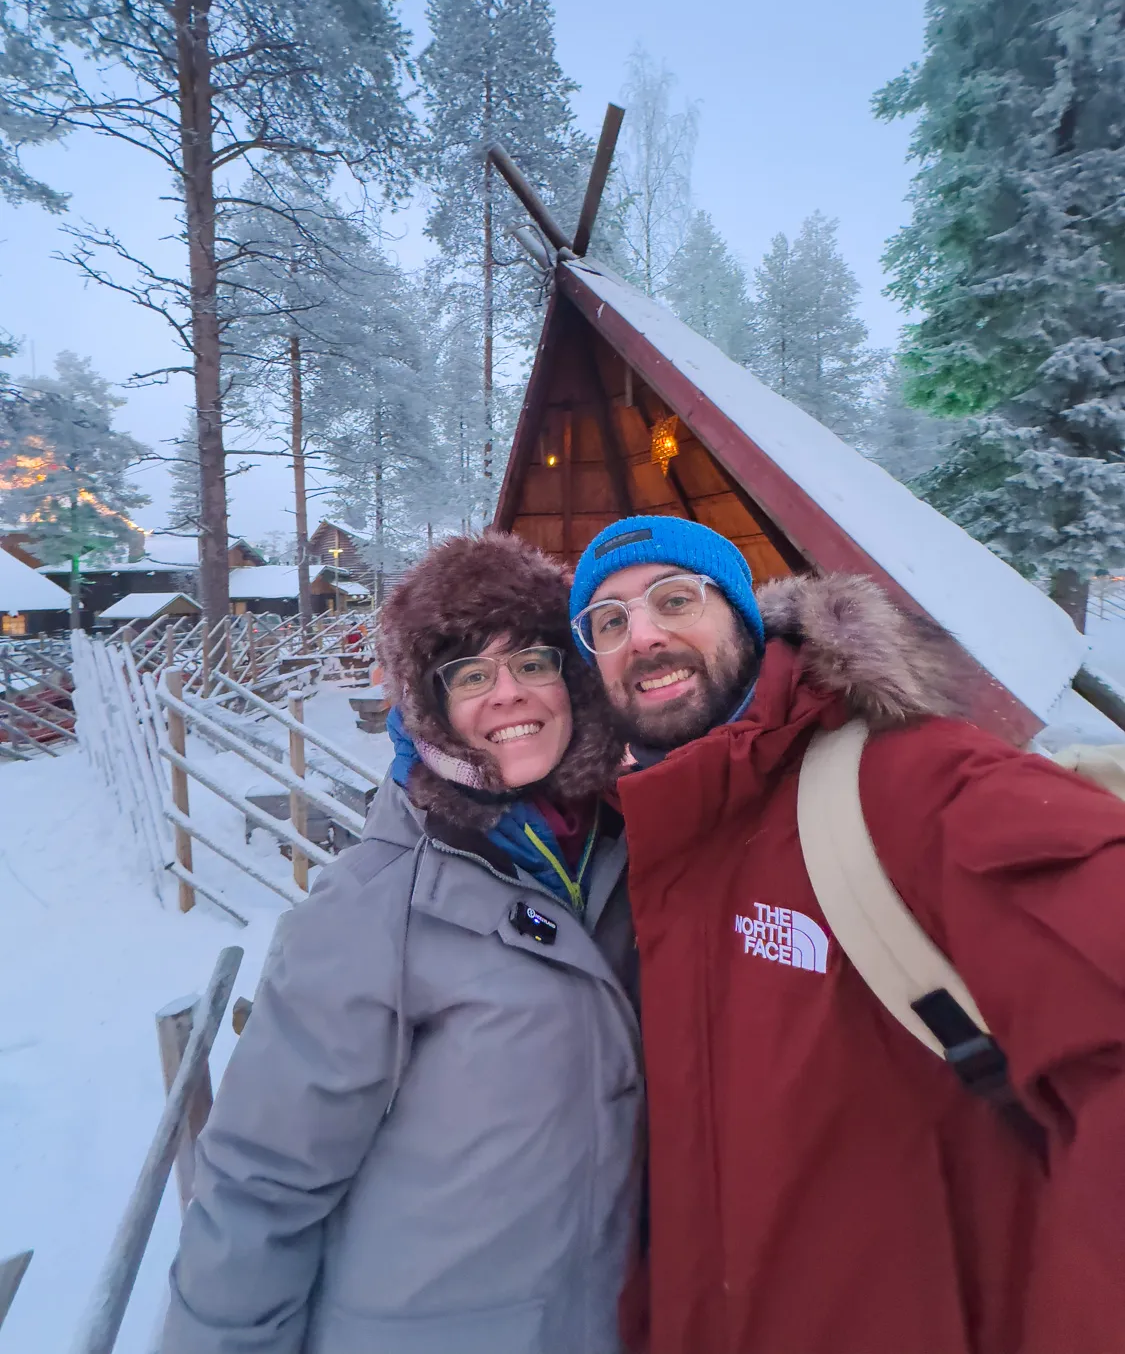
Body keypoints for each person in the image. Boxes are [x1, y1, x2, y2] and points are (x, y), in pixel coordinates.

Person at [568, 514, 1125, 1354]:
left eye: (674, 599)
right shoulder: (645, 840)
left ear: (744, 618)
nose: (641, 636)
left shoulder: (908, 777)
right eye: (607, 622)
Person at [163, 531, 642, 1354]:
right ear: (430, 709)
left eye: (531, 662)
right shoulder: (375, 907)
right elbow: (258, 1189)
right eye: (469, 675)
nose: (507, 693)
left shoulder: (619, 858)